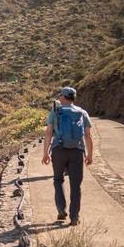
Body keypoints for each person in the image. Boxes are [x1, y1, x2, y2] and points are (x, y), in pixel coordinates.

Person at [41, 87, 93, 226]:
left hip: (58, 150)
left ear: (64, 97)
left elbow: (48, 133)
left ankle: (61, 210)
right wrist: (89, 155)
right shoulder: (82, 112)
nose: (59, 98)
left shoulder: (55, 111)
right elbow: (88, 136)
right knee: (76, 186)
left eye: (60, 96)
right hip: (77, 151)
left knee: (58, 180)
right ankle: (74, 217)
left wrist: (45, 153)